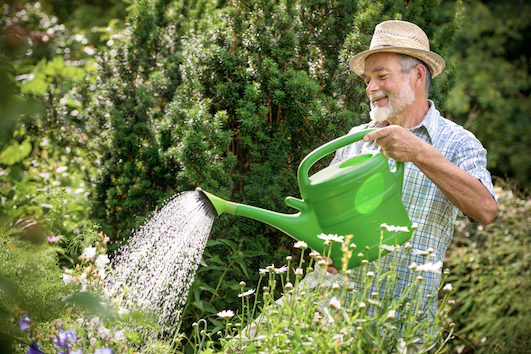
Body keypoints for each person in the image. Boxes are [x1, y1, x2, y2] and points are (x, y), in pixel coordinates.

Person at [240, 20, 498, 350]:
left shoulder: (457, 143)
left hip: (402, 324)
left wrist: (419, 151)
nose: (370, 86)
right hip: (329, 313)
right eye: (367, 79)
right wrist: (323, 248)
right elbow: (326, 228)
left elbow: (486, 209)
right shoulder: (355, 141)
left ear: (417, 76)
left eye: (381, 75)